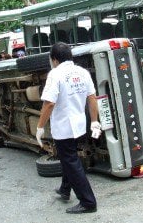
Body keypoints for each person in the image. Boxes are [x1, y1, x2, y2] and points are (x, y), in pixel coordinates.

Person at [36, 42, 101, 214]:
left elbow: (49, 103)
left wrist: (40, 127)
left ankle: (88, 202)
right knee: (68, 156)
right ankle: (65, 189)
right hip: (79, 125)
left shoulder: (55, 74)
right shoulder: (82, 72)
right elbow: (92, 98)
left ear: (54, 59)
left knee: (70, 160)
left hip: (64, 127)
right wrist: (94, 121)